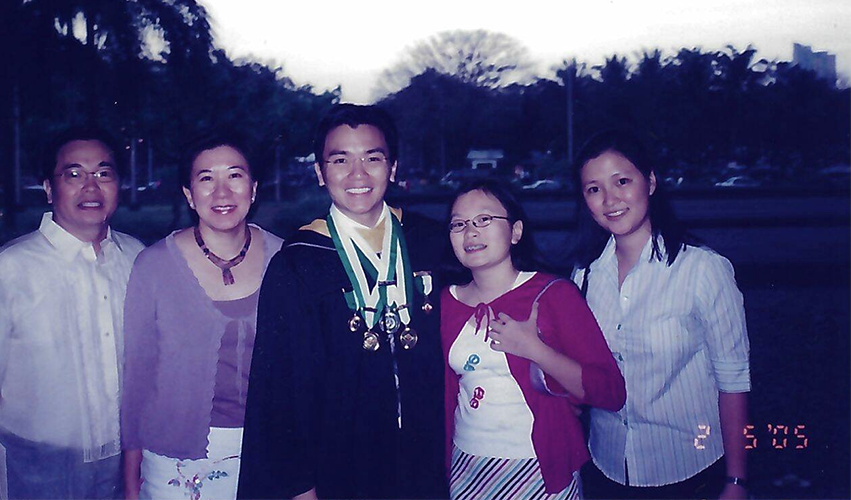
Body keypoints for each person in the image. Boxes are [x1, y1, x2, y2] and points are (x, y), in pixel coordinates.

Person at [237, 103, 450, 500]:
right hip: (337, 464)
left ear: (393, 167)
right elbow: (278, 387)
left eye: (373, 158)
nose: (358, 175)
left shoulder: (432, 242)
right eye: (340, 160)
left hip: (428, 458)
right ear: (320, 172)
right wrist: (299, 486)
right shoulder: (298, 263)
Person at [0, 127, 145, 500]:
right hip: (36, 474)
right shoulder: (7, 271)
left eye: (103, 173)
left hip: (127, 473)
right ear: (49, 188)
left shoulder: (138, 259)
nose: (91, 187)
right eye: (74, 174)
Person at [570, 130, 750, 500]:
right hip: (607, 466)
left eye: (622, 181)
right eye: (594, 189)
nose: (610, 199)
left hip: (690, 467)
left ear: (650, 182)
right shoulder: (584, 275)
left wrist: (736, 481)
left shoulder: (703, 270)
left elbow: (733, 382)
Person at [121, 133, 282, 500]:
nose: (222, 192)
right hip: (174, 460)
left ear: (254, 188)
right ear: (189, 195)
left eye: (235, 176)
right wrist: (131, 482)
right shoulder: (153, 266)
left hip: (269, 450)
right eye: (206, 178)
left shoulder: (285, 260)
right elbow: (137, 379)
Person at [441, 181, 625, 500]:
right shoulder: (444, 302)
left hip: (539, 468)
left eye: (484, 219)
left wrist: (534, 350)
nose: (470, 232)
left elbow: (609, 391)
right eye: (459, 224)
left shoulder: (554, 295)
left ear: (515, 232)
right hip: (467, 468)